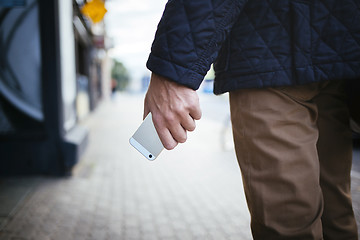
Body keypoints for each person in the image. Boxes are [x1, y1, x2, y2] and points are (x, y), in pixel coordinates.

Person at [143, 0, 360, 239]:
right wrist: (176, 69)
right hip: (289, 53)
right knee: (329, 219)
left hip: (279, 53)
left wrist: (173, 70)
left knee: (320, 221)